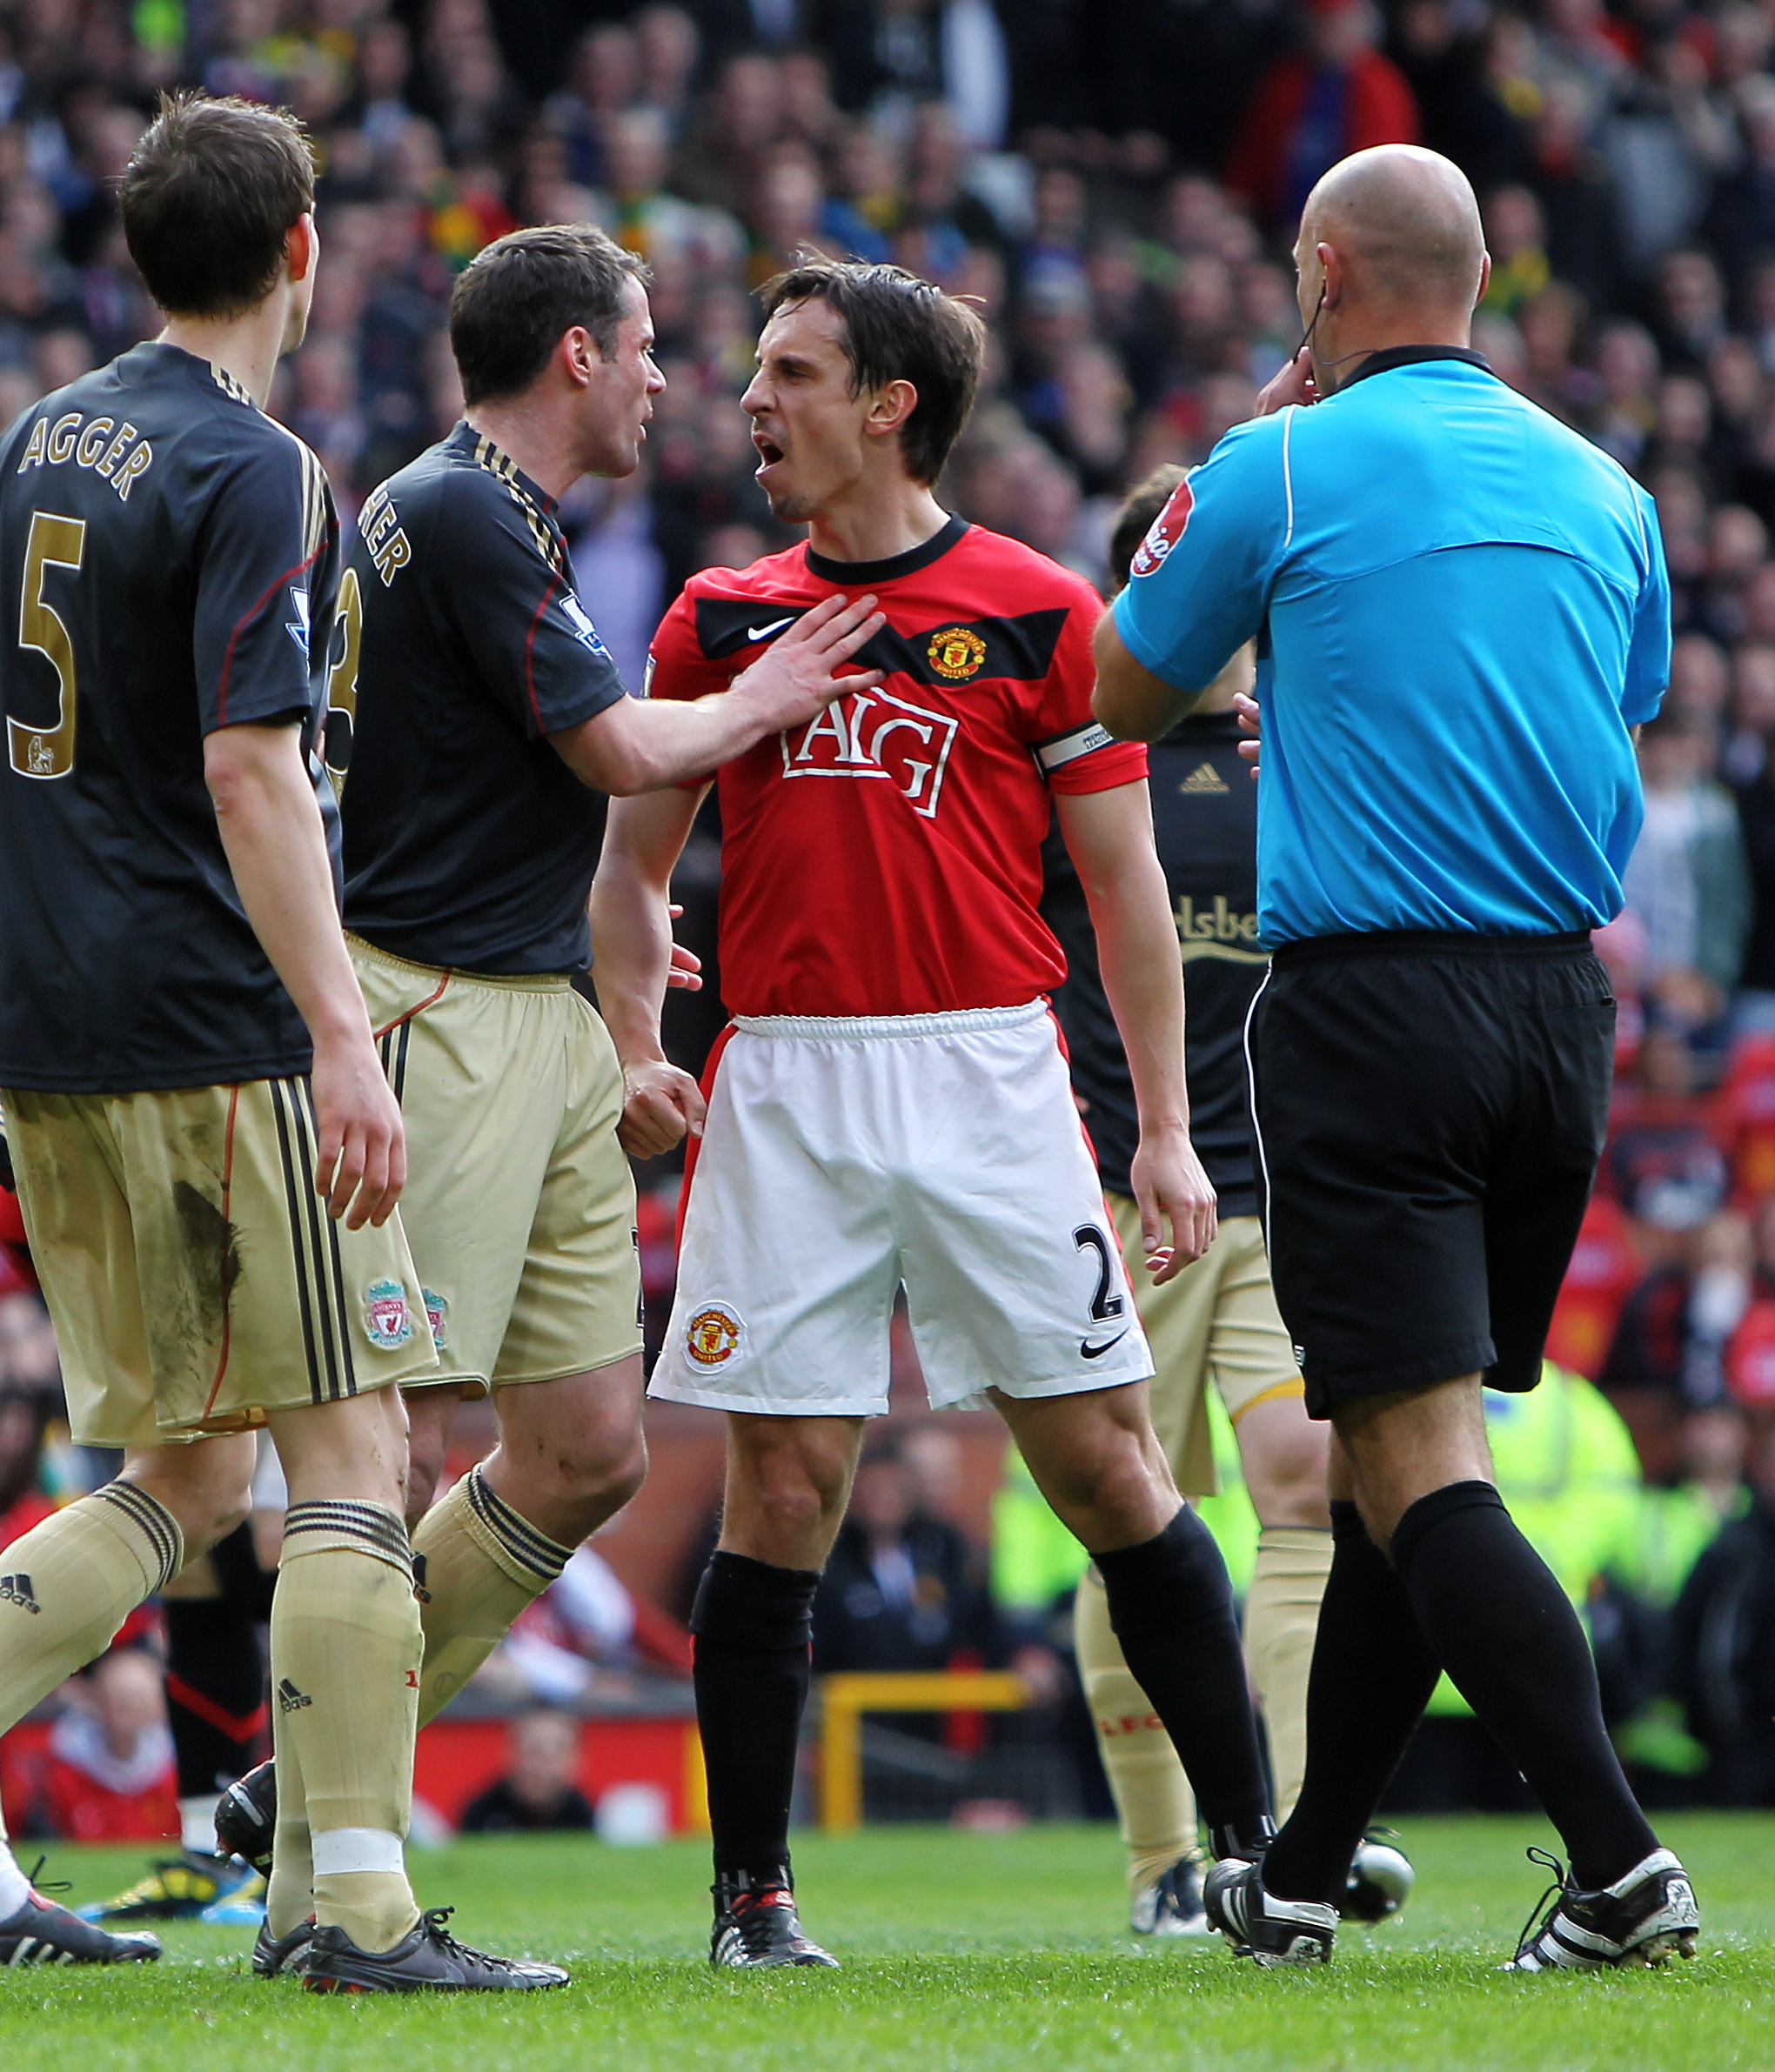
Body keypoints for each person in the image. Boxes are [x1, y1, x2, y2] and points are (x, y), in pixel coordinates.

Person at [591, 256, 1276, 1970]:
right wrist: (631, 1040)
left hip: (991, 1074)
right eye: (757, 371)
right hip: (787, 1079)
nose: (753, 401)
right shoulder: (715, 618)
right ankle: (753, 1902)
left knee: (1109, 1470)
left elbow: (1123, 894)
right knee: (781, 1493)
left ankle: (1258, 1859)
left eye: (792, 373)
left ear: (891, 406)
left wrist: (1165, 1132)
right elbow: (631, 870)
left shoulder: (1042, 612)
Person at [211, 224, 878, 1915]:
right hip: (436, 1015)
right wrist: (768, 691)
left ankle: (312, 1760)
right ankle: (328, 1872)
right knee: (389, 1444)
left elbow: (533, 796)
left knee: (587, 1446)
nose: (665, 381)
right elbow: (623, 746)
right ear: (576, 354)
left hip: (530, 1006)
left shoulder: (487, 515)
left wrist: (614, 1022)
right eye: (645, 347)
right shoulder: (461, 511)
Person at [1094, 143, 1698, 1971]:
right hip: (1561, 1019)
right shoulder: (1609, 487)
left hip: (1373, 1008)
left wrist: (1248, 472)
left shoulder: (1279, 462)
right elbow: (1619, 704)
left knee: (1423, 1468)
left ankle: (1620, 1870)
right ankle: (1294, 1878)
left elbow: (1124, 690)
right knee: (1382, 1466)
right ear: (1484, 279)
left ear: (1324, 274)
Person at [0, 92, 557, 1992]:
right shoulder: (262, 468)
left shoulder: (35, 438)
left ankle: (328, 1894)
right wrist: (338, 1031)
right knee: (353, 1444)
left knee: (186, 1476)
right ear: (302, 251)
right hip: (206, 1022)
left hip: (51, 1019)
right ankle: (354, 1911)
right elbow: (253, 770)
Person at [1045, 466, 1409, 1938]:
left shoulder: (1303, 753)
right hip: (1122, 1192)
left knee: (1304, 1486)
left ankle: (1307, 1843)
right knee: (1134, 1508)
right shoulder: (1081, 756)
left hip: (1275, 1193)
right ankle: (1162, 1864)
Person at [458, 1710, 595, 1835]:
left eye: (554, 1754)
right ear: (510, 1754)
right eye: (533, 1752)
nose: (541, 1766)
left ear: (576, 1760)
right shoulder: (481, 1812)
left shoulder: (582, 1814)